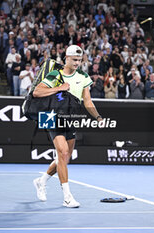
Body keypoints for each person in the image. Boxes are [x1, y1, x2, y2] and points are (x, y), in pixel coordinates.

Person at [32, 45, 103, 208]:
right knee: (63, 153)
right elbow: (37, 92)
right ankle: (67, 197)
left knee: (65, 158)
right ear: (67, 58)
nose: (77, 63)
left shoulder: (84, 77)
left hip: (69, 117)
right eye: (74, 59)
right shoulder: (55, 75)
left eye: (79, 60)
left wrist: (97, 117)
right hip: (50, 116)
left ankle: (41, 181)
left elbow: (87, 101)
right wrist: (60, 88)